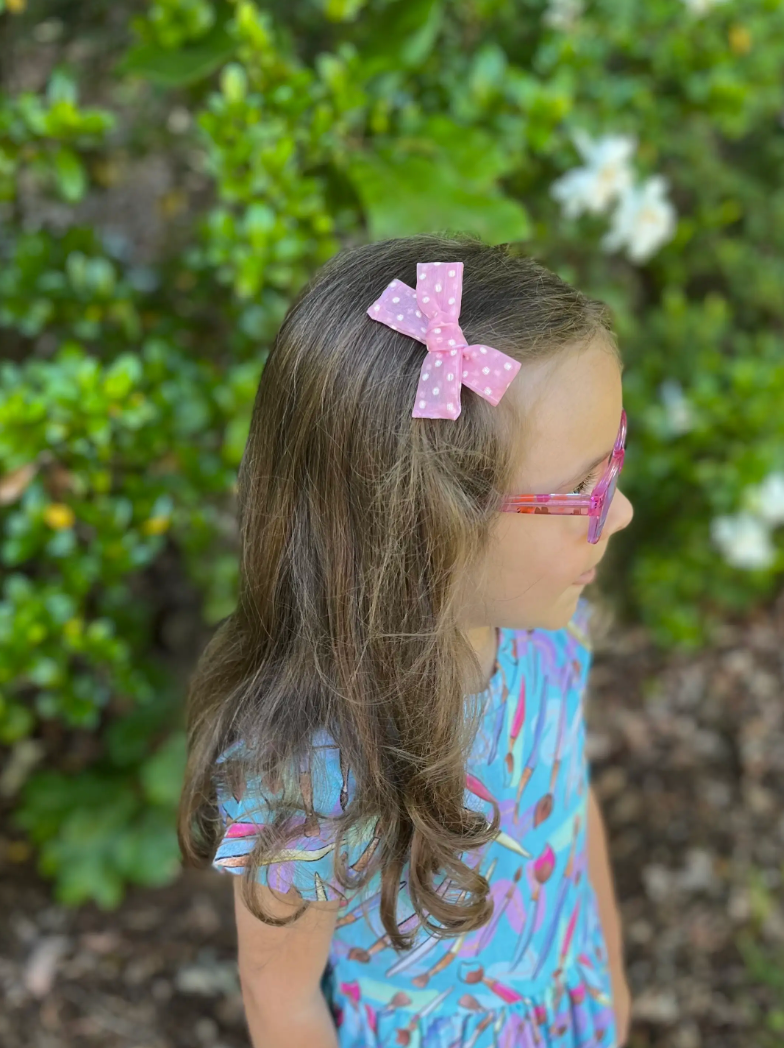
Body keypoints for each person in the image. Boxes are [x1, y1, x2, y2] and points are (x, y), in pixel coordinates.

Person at [178, 233, 635, 1047]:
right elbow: (279, 997)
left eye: (616, 463)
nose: (622, 511)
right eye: (583, 492)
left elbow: (570, 803)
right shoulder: (312, 777)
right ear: (429, 526)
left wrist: (612, 990)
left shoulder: (545, 639)